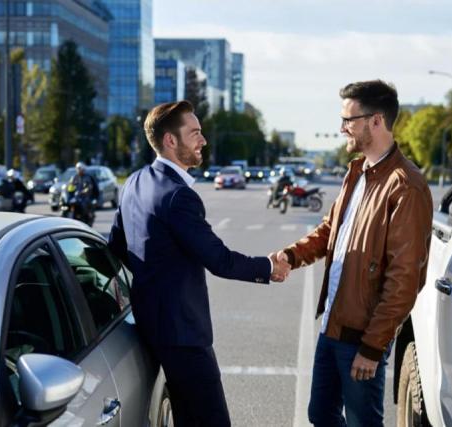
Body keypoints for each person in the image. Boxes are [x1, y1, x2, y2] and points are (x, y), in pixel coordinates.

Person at [107, 100, 290, 427]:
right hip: (182, 335)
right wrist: (268, 267)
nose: (203, 140)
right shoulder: (178, 196)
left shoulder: (135, 182)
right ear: (170, 141)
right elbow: (218, 259)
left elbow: (116, 249)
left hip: (148, 326)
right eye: (195, 133)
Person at [273, 80, 433, 426]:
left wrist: (373, 347)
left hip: (362, 335)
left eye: (349, 119)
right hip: (333, 322)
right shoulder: (357, 172)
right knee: (321, 414)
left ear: (375, 121)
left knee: (363, 422)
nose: (342, 127)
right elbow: (330, 231)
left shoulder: (406, 186)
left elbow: (405, 279)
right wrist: (291, 256)